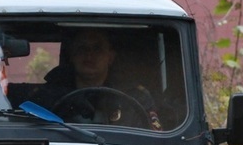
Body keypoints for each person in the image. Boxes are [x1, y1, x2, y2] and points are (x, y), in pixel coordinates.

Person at [31, 28, 162, 130]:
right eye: (82, 48)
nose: (89, 55)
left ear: (110, 57)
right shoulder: (47, 96)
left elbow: (152, 142)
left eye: (97, 48)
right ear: (72, 55)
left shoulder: (136, 97)